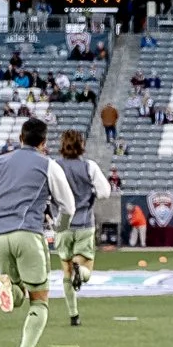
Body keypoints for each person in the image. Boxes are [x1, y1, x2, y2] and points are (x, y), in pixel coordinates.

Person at [0, 117, 76, 347]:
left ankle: (7, 287)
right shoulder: (49, 165)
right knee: (39, 299)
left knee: (16, 292)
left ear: (20, 138)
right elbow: (68, 206)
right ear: (44, 143)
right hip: (28, 234)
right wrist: (59, 227)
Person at [51, 129, 114, 327]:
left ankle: (73, 314)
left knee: (66, 272)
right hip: (84, 222)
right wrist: (90, 192)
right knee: (86, 267)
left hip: (62, 224)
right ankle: (82, 271)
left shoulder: (53, 166)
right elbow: (105, 192)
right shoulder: (89, 166)